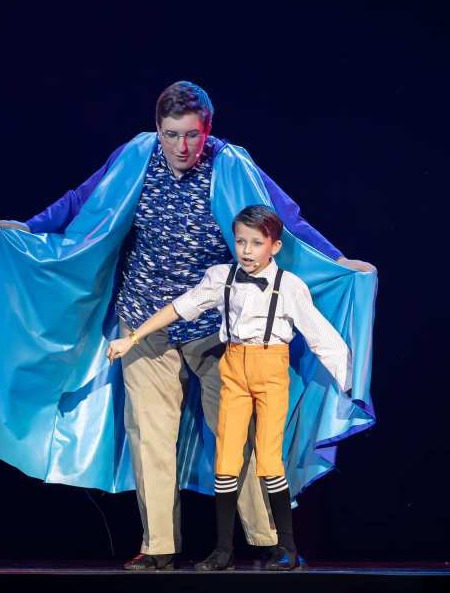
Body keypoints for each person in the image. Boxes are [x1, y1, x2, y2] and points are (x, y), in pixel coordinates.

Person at [0, 81, 378, 572]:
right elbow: (82, 200)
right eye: (171, 135)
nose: (182, 147)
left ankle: (267, 540)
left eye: (192, 135)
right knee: (150, 435)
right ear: (157, 129)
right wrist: (31, 227)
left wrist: (336, 260)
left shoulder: (231, 165)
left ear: (208, 131)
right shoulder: (136, 156)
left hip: (216, 330)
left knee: (237, 437)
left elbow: (283, 219)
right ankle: (158, 546)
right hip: (145, 321)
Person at [107, 205, 349, 571]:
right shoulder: (222, 278)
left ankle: (285, 546)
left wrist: (349, 384)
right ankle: (222, 551)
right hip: (234, 368)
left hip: (269, 370)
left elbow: (320, 335)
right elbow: (179, 307)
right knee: (226, 461)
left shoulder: (289, 286)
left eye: (256, 243)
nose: (247, 251)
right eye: (240, 242)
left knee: (268, 459)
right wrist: (134, 338)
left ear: (275, 246)